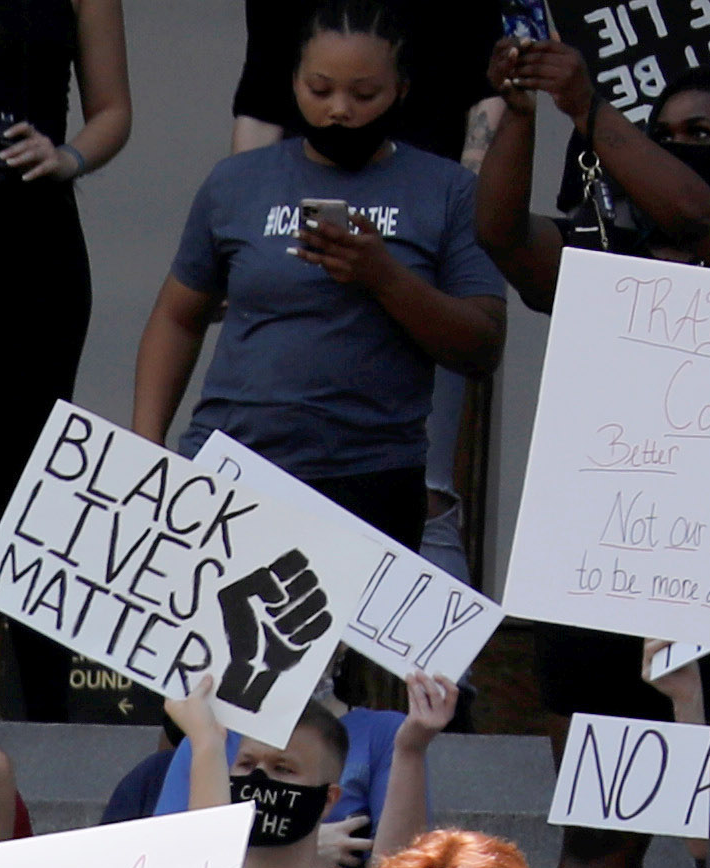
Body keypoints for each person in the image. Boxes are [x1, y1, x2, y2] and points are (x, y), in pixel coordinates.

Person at [126, 15, 501, 550]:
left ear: (402, 91)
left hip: (368, 479)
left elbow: (483, 344)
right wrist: (147, 442)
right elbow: (177, 316)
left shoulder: (448, 191)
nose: (340, 110)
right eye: (319, 90)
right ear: (293, 84)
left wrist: (384, 278)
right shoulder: (236, 182)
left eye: (365, 93)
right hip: (230, 463)